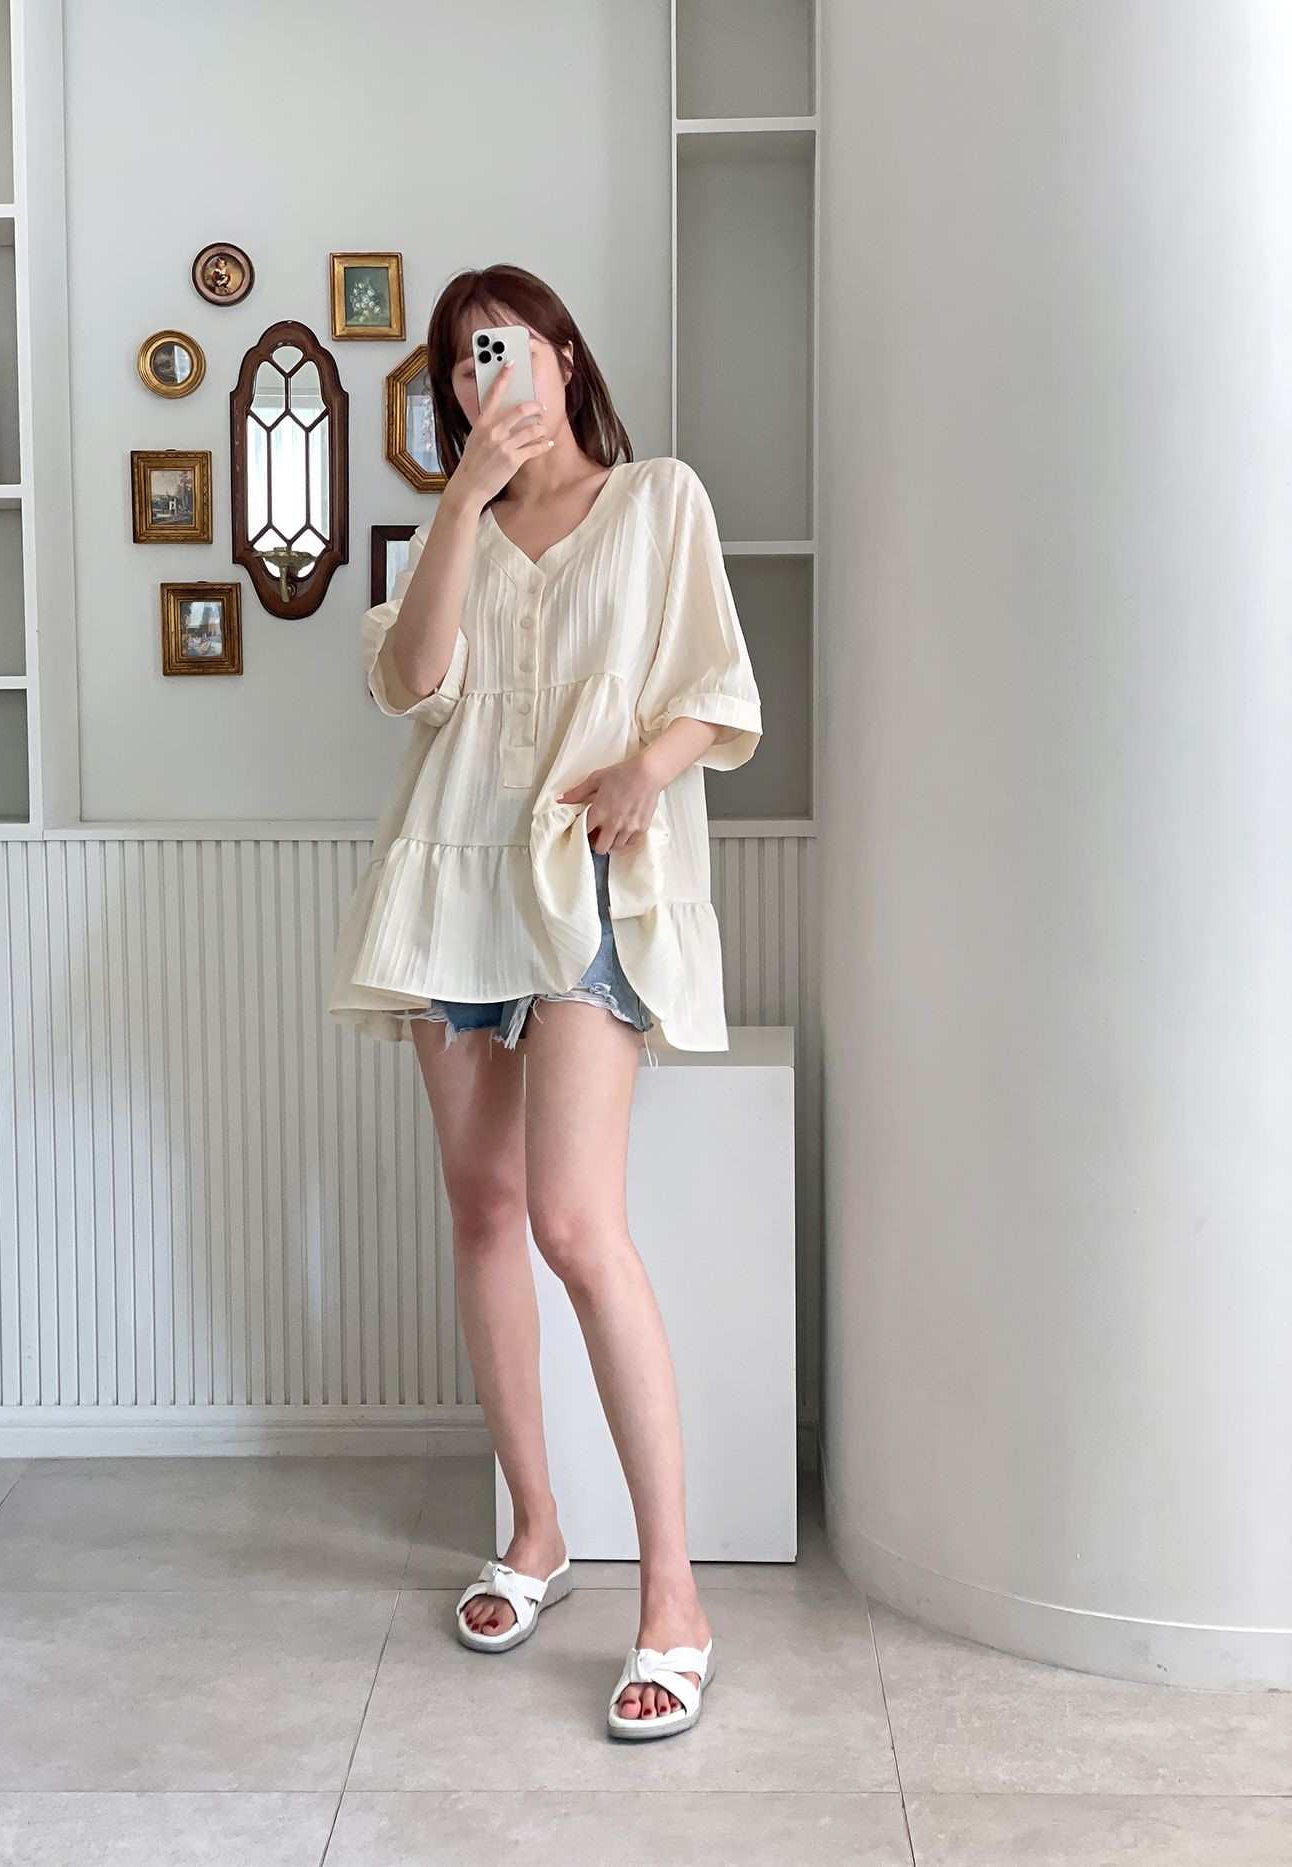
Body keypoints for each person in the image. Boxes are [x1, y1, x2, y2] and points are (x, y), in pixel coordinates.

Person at [327, 263, 762, 1740]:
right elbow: (412, 685)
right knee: (483, 1212)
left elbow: (715, 681)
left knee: (577, 1223)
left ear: (563, 355)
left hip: (587, 886)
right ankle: (535, 1532)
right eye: (459, 362)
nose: (482, 374)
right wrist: (460, 503)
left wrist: (648, 768)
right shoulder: (446, 534)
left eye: (501, 346)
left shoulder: (657, 502)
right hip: (452, 890)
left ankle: (674, 1600)